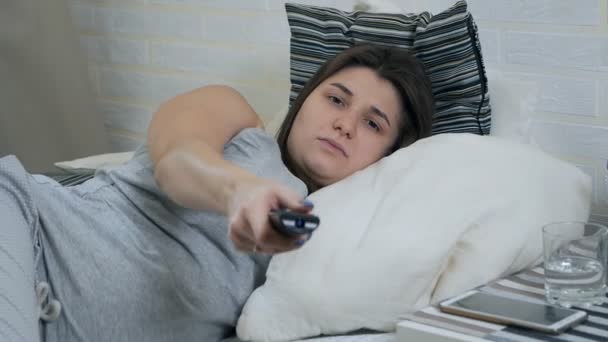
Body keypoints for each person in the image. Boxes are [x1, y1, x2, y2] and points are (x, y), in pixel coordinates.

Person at [0, 43, 434, 342]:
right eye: (336, 100)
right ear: (304, 100)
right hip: (32, 232)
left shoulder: (342, 227)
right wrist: (238, 191)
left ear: (389, 155)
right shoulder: (237, 119)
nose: (345, 124)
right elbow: (176, 159)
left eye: (373, 123)